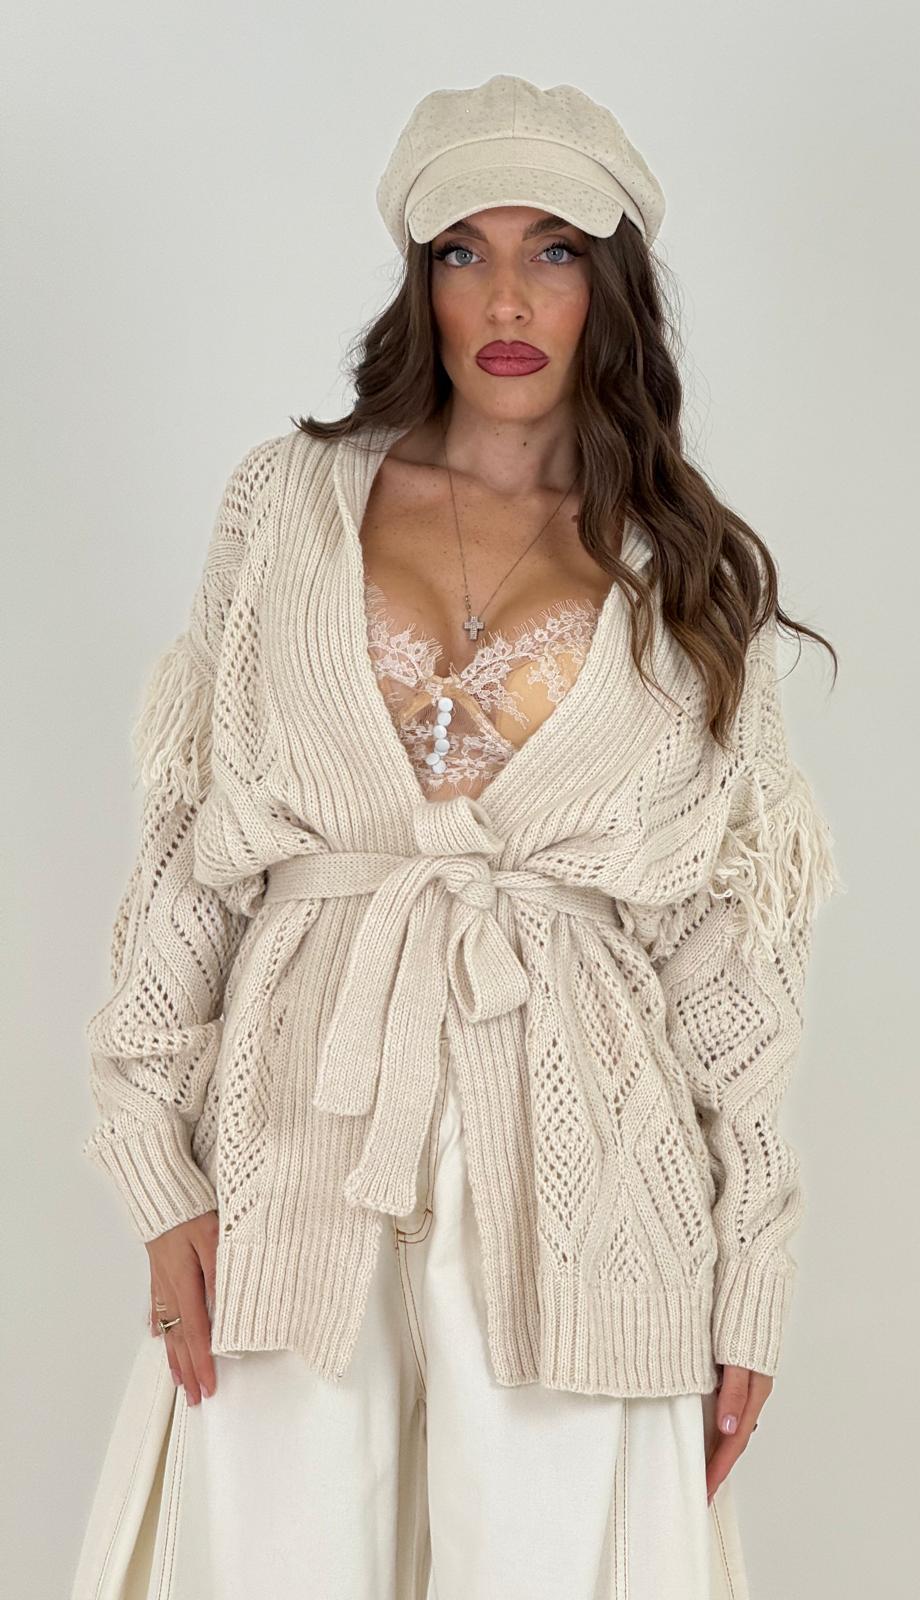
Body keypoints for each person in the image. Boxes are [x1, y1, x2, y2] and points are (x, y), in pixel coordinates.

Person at [70, 73, 844, 1600]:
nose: (505, 298)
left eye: (553, 250)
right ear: (416, 280)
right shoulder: (287, 504)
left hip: (590, 1173)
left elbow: (731, 954)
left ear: (610, 285)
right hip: (297, 1139)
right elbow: (189, 846)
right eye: (460, 253)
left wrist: (752, 1264)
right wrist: (155, 1169)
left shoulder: (685, 566)